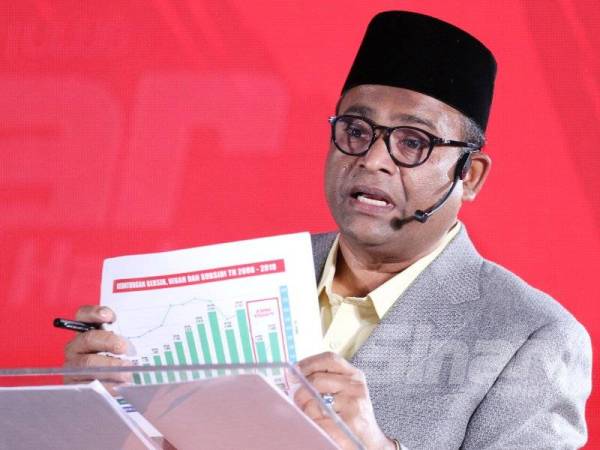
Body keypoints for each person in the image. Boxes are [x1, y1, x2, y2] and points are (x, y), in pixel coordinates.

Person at [64, 11, 592, 450]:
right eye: (356, 131)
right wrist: (97, 408)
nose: (373, 159)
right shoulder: (229, 286)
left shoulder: (534, 336)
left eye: (413, 142)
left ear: (469, 175)